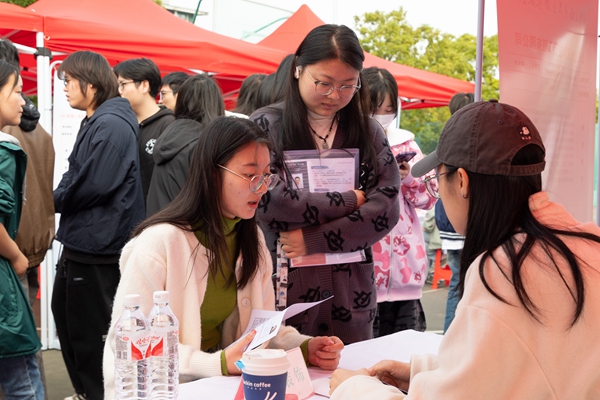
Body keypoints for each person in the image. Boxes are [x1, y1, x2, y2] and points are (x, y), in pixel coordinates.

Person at [329, 100, 600, 399]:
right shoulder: (588, 240)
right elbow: (526, 360)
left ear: (462, 182)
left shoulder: (503, 271)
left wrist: (352, 388)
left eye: (437, 178)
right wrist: (424, 372)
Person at [103, 117, 344, 399]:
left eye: (267, 176)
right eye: (250, 175)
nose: (261, 187)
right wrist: (216, 363)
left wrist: (303, 347)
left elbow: (260, 331)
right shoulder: (159, 243)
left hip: (220, 387)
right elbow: (132, 344)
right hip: (163, 391)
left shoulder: (251, 238)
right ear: (213, 173)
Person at [250, 24, 400, 344]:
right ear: (297, 69)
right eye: (324, 83)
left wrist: (315, 239)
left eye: (348, 86)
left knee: (350, 367)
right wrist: (349, 201)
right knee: (287, 363)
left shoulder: (369, 132)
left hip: (351, 289)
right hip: (284, 282)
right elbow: (268, 198)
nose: (335, 96)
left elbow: (385, 208)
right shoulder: (267, 125)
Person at [52, 51, 145, 400]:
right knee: (68, 319)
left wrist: (54, 200)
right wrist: (59, 196)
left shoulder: (111, 123)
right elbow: (76, 173)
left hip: (99, 243)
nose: (65, 88)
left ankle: (96, 394)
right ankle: (87, 392)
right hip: (86, 240)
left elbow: (94, 183)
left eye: (69, 81)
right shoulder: (99, 120)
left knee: (89, 334)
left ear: (90, 85)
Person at [364, 67, 437, 336]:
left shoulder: (407, 144)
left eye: (388, 109)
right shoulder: (349, 145)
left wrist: (407, 177)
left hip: (406, 273)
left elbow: (429, 198)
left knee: (405, 350)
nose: (382, 116)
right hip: (365, 277)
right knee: (367, 350)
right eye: (374, 109)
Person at [0, 39, 54, 400]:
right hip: (19, 255)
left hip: (14, 256)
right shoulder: (33, 137)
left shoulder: (9, 142)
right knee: (24, 368)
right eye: (17, 90)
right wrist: (20, 255)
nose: (22, 98)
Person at [146, 74, 225, 216]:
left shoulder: (169, 133)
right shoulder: (203, 144)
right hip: (187, 225)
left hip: (158, 222)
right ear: (215, 103)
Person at [437, 92, 474, 332]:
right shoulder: (472, 144)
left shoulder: (446, 138)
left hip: (447, 224)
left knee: (457, 284)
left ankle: (448, 336)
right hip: (462, 225)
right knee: (467, 284)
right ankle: (454, 335)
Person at [114, 58, 175, 203]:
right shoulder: (121, 123)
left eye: (123, 84)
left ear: (144, 85)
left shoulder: (168, 125)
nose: (119, 91)